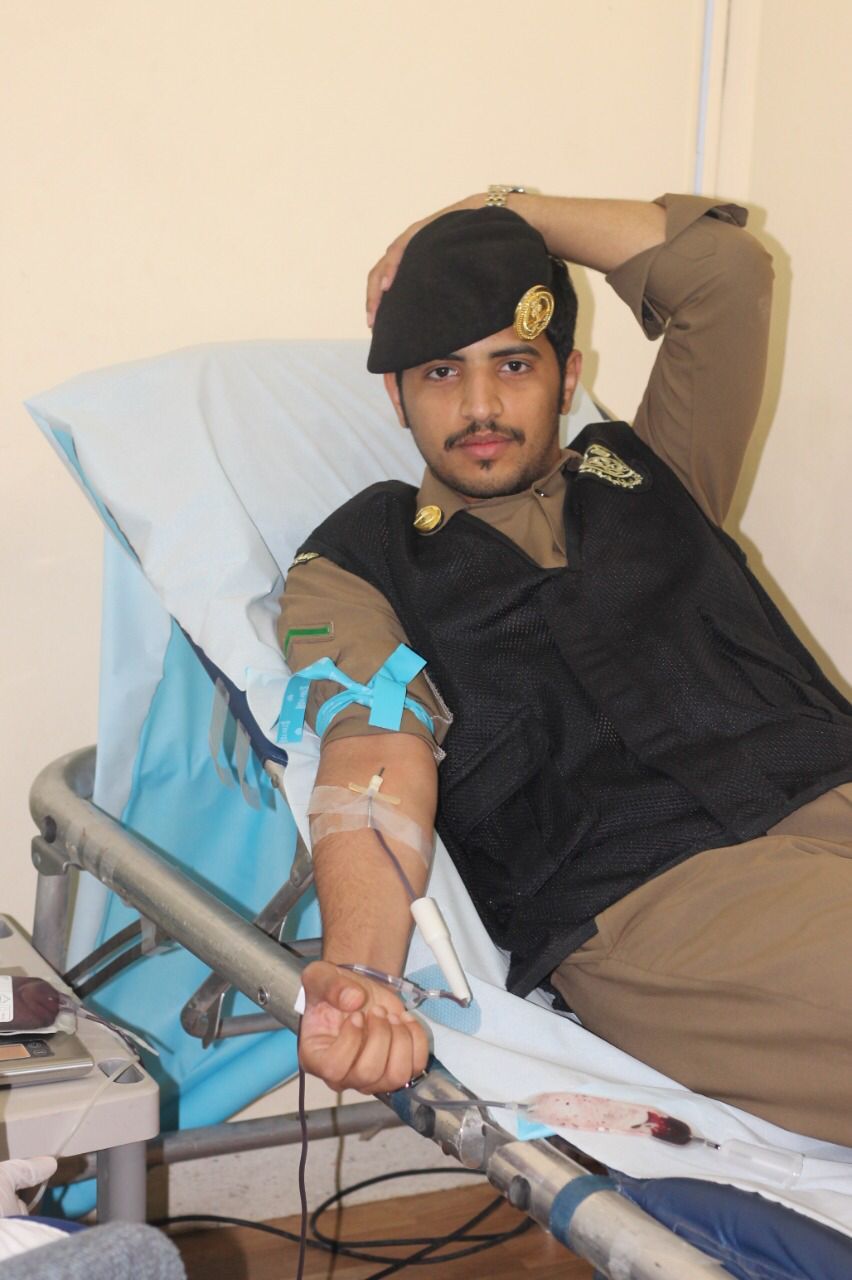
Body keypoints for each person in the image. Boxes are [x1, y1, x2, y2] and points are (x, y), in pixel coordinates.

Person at [282, 188, 852, 1143]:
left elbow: (725, 274)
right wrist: (365, 971)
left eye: (513, 364)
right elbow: (375, 753)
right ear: (396, 396)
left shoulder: (654, 471)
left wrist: (499, 208)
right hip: (659, 896)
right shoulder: (356, 561)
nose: (479, 406)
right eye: (440, 372)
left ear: (568, 375)